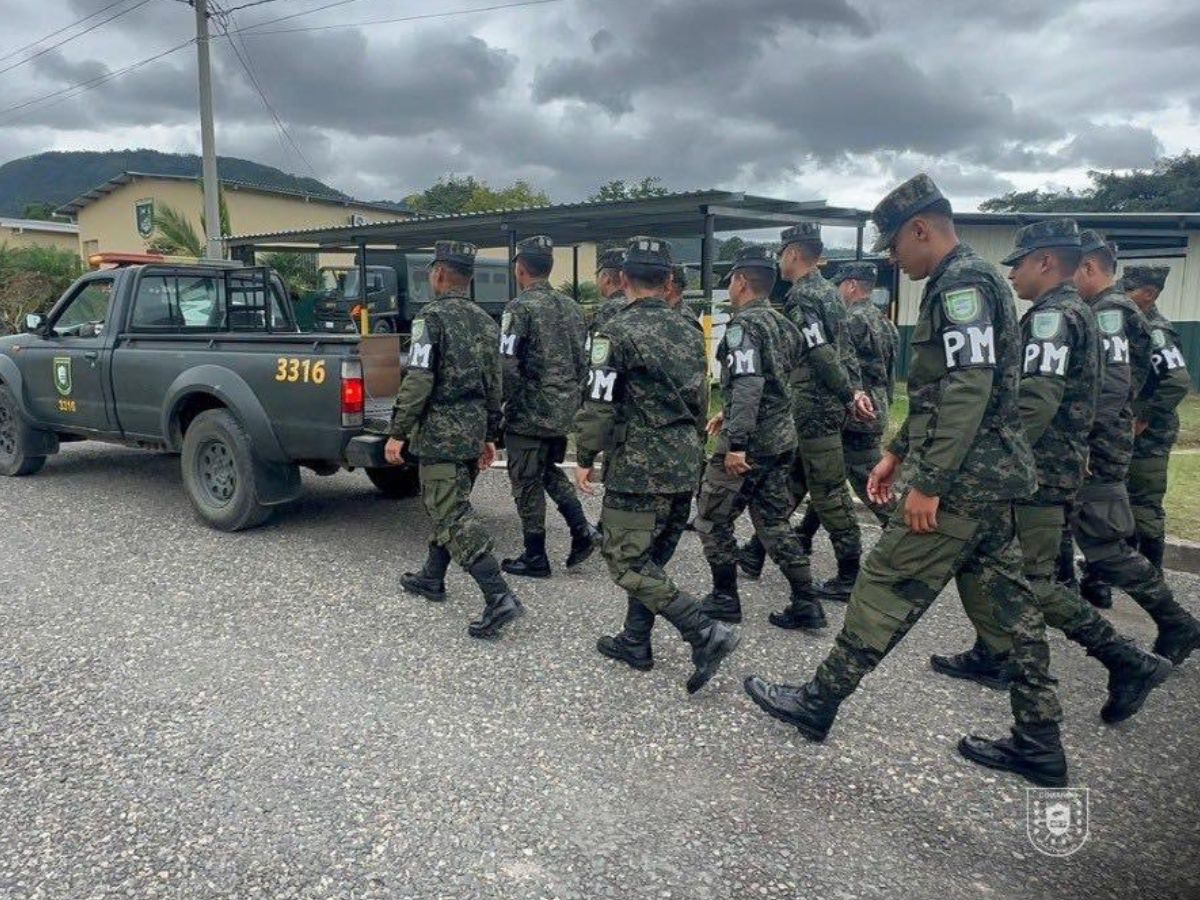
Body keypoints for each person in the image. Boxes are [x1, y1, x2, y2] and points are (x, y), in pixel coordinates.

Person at [744, 174, 1069, 787]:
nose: (892, 259)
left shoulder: (964, 284)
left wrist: (932, 481)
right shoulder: (967, 279)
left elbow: (969, 389)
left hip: (964, 482)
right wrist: (896, 451)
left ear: (922, 229)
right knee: (1009, 610)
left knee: (885, 584)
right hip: (991, 481)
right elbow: (941, 390)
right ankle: (1040, 739)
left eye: (895, 244)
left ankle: (818, 702)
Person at [931, 220, 1171, 723]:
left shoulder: (1053, 319)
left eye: (1018, 263)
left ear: (1044, 261)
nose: (1013, 274)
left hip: (1037, 473)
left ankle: (1123, 660)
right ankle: (999, 657)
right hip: (1047, 469)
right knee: (1004, 570)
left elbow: (1036, 403)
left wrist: (1001, 461)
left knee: (1033, 581)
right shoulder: (1069, 312)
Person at [576, 236, 739, 692]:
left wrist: (585, 458)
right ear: (668, 280)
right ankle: (635, 640)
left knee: (625, 561)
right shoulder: (690, 329)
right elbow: (703, 396)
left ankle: (703, 631)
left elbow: (599, 403)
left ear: (623, 279)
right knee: (652, 557)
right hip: (685, 461)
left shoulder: (614, 332)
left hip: (638, 466)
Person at [1050, 246, 1200, 665]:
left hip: (1099, 446)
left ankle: (1175, 623)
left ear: (1089, 267)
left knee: (1104, 542)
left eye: (1072, 270)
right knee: (1083, 528)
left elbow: (1112, 385)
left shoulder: (1109, 311)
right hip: (1099, 441)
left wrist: (1090, 439)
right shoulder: (1104, 308)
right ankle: (1066, 591)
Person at [388, 240, 524, 640]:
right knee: (449, 504)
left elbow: (419, 379)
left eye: (432, 271)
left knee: (451, 513)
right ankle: (432, 576)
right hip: (470, 430)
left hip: (441, 434)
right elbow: (495, 382)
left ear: (441, 274)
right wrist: (489, 434)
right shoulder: (486, 321)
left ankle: (498, 596)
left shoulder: (430, 320)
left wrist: (397, 432)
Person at [738, 223, 875, 605]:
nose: (781, 261)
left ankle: (850, 571)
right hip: (823, 402)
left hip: (816, 405)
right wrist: (853, 390)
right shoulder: (830, 292)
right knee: (793, 482)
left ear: (793, 253)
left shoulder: (803, 298)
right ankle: (755, 551)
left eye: (782, 254)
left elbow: (819, 352)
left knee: (829, 491)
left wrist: (848, 395)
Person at [693, 246, 817, 627]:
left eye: (731, 280)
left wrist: (738, 442)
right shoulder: (785, 326)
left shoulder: (743, 326)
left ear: (742, 281)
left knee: (712, 519)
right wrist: (727, 413)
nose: (730, 287)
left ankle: (724, 598)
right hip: (782, 439)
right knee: (774, 522)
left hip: (751, 445)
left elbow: (749, 382)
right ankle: (806, 602)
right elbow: (777, 382)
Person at [498, 235, 598, 578]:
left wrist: (497, 407)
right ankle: (582, 531)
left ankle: (535, 555)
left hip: (528, 411)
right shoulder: (571, 307)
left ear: (520, 268)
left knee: (525, 480)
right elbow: (583, 361)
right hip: (563, 409)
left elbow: (507, 364)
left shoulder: (518, 308)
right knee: (545, 471)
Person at [796, 261, 896, 544]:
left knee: (864, 479)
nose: (837, 290)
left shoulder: (851, 320)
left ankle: (902, 536)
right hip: (877, 405)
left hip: (856, 409)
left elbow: (841, 364)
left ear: (851, 285)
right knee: (828, 475)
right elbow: (889, 374)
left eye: (840, 284)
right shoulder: (885, 322)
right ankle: (803, 533)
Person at [1125, 265, 1191, 573]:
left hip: (1151, 433)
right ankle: (1126, 565)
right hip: (1132, 428)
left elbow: (1177, 380)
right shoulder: (1135, 325)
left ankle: (1151, 570)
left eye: (1129, 291)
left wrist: (1146, 416)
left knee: (1144, 502)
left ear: (1149, 294)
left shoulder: (1157, 332)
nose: (1122, 296)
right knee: (1122, 499)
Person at [590, 248, 628, 336]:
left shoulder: (608, 310)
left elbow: (598, 346)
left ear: (606, 278)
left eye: (598, 276)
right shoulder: (642, 305)